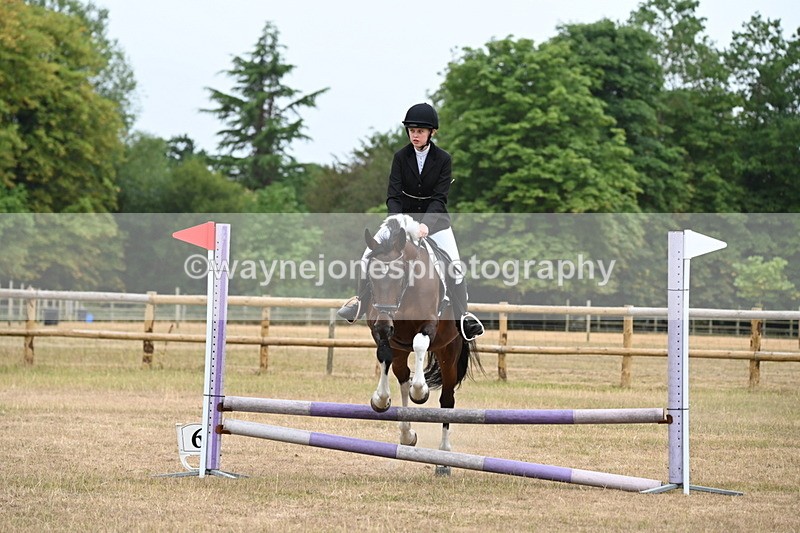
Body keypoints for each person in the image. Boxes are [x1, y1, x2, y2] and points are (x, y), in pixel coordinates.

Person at [337, 103, 484, 341]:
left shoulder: (443, 159)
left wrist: (426, 224)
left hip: (435, 223)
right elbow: (393, 195)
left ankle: (463, 315)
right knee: (367, 256)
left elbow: (439, 197)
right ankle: (358, 302)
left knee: (455, 267)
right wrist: (397, 222)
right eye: (412, 130)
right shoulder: (400, 157)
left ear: (431, 133)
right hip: (400, 220)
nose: (415, 135)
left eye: (420, 131)